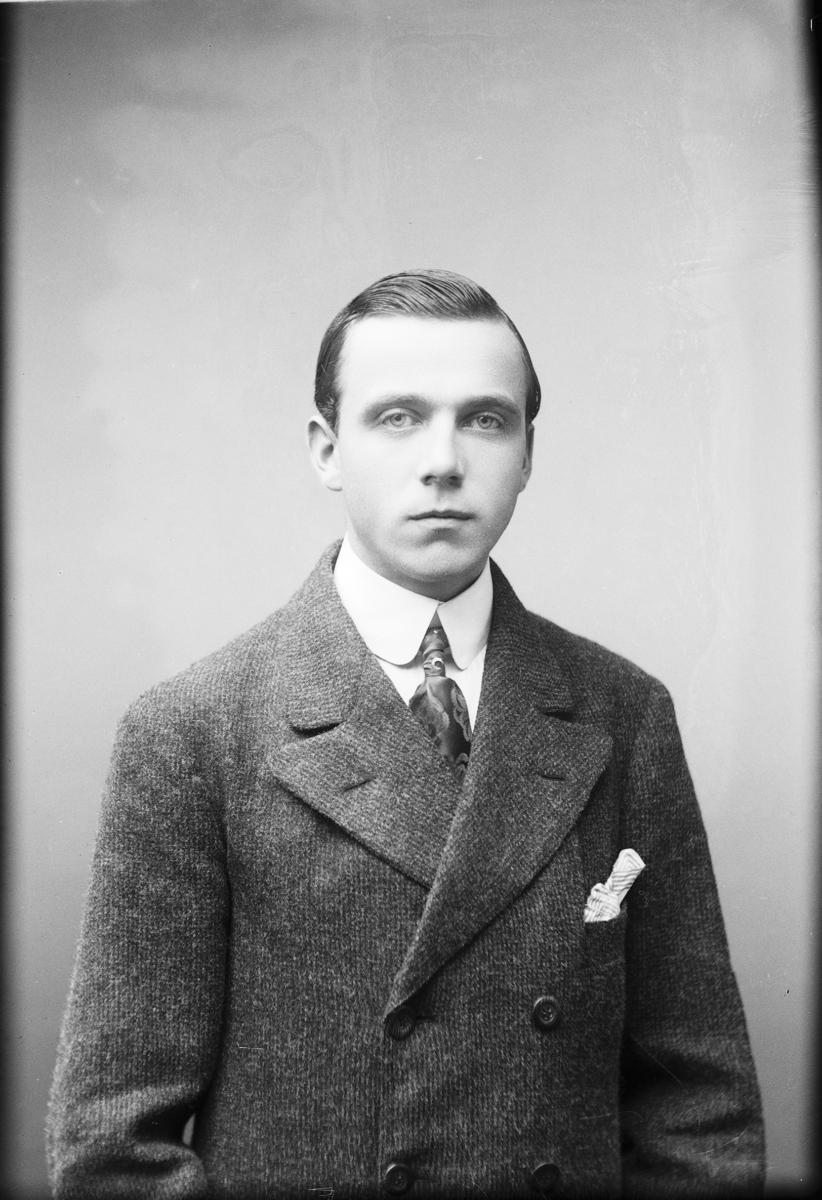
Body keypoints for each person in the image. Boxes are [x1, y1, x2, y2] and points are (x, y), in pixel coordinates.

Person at [47, 269, 765, 1198]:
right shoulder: (192, 731)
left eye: (486, 420)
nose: (444, 462)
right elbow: (112, 1147)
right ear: (327, 449)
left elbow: (700, 1111)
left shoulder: (623, 713)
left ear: (528, 453)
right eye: (397, 417)